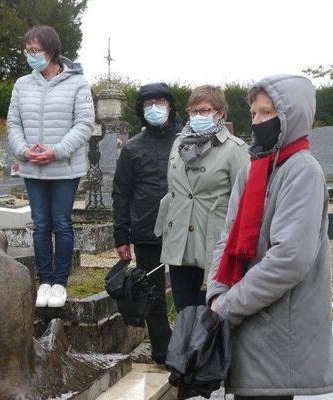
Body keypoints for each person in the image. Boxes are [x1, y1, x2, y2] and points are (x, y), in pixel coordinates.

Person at [207, 75, 333, 399]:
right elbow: (227, 237)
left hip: (277, 332)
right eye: (254, 114)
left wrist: (229, 305)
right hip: (247, 324)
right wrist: (216, 291)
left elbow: (289, 259)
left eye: (267, 113)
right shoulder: (252, 170)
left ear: (291, 116)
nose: (257, 122)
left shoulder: (303, 171)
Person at [7, 25, 94, 308]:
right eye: (28, 51)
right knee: (40, 224)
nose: (31, 55)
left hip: (65, 168)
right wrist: (23, 150)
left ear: (51, 50)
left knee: (62, 223)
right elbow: (14, 123)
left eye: (36, 50)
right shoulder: (22, 84)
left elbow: (84, 124)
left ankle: (60, 282)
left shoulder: (77, 83)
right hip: (33, 167)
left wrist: (56, 151)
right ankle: (44, 280)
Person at [155, 85, 248, 312]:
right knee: (184, 310)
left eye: (204, 110)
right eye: (193, 111)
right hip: (180, 241)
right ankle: (185, 348)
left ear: (220, 112)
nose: (198, 116)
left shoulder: (234, 149)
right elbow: (176, 189)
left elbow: (244, 199)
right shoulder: (179, 144)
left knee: (209, 313)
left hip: (212, 239)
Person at [112, 83, 181, 364]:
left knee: (188, 293)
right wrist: (121, 236)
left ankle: (192, 351)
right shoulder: (133, 149)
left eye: (160, 102)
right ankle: (163, 353)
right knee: (152, 296)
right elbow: (121, 193)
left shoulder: (185, 140)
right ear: (141, 110)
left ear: (170, 105)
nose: (154, 108)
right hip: (146, 230)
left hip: (185, 229)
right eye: (148, 104)